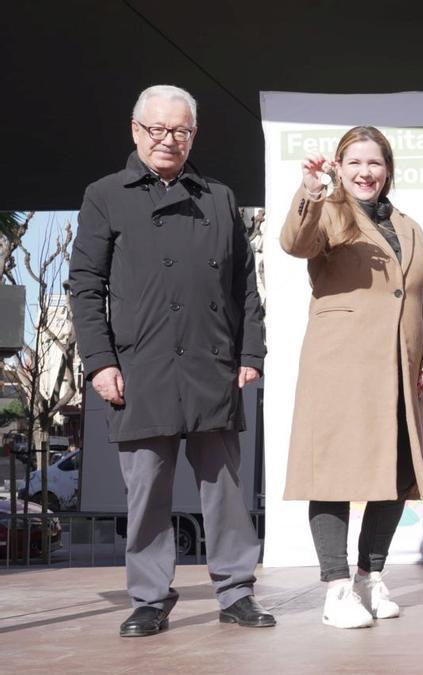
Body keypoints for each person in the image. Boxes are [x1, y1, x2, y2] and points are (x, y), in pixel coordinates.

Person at [69, 84, 273, 637]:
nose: (168, 139)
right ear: (136, 131)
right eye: (157, 129)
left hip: (212, 364)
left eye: (180, 130)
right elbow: (85, 285)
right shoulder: (105, 195)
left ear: (193, 135)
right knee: (147, 494)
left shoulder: (219, 197)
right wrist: (99, 361)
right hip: (140, 368)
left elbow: (245, 285)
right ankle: (150, 598)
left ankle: (237, 591)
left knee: (226, 492)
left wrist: (250, 350)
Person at [281, 126, 423, 628]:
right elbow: (295, 242)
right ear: (338, 166)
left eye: (374, 163)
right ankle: (335, 590)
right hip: (341, 367)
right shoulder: (328, 211)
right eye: (354, 162)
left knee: (394, 476)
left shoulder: (409, 227)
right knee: (332, 475)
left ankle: (368, 577)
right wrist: (311, 191)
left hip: (399, 369)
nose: (365, 172)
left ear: (388, 170)